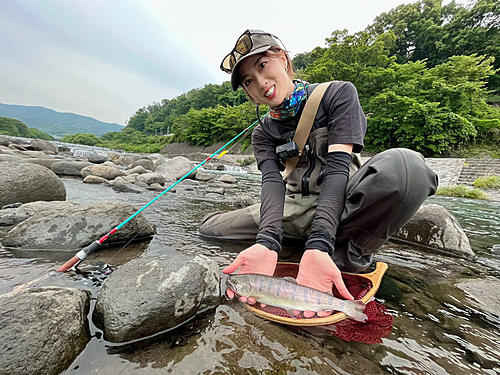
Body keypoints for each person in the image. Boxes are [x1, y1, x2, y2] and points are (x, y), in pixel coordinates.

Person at [199, 29, 438, 304]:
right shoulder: (262, 133)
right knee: (211, 228)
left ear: (284, 59)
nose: (261, 83)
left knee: (408, 168)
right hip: (296, 208)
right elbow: (272, 184)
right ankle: (305, 247)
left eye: (263, 65)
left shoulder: (337, 94)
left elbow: (338, 168)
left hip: (344, 203)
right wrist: (267, 242)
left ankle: (350, 256)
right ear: (249, 95)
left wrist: (319, 243)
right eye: (249, 81)